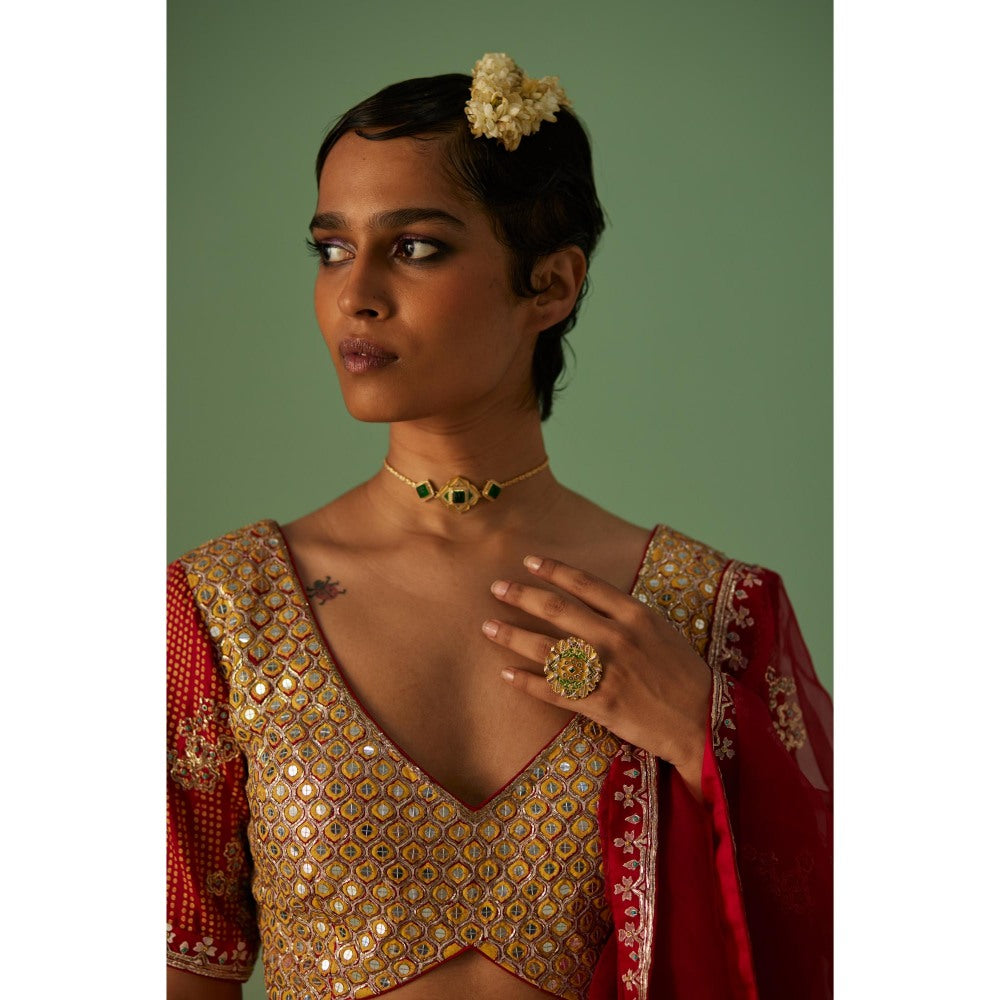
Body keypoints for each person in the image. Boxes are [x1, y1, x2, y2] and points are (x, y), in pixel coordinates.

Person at [167, 54, 832, 1000]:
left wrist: (705, 738)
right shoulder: (224, 611)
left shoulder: (705, 613)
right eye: (332, 249)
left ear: (550, 285)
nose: (355, 293)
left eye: (414, 247)